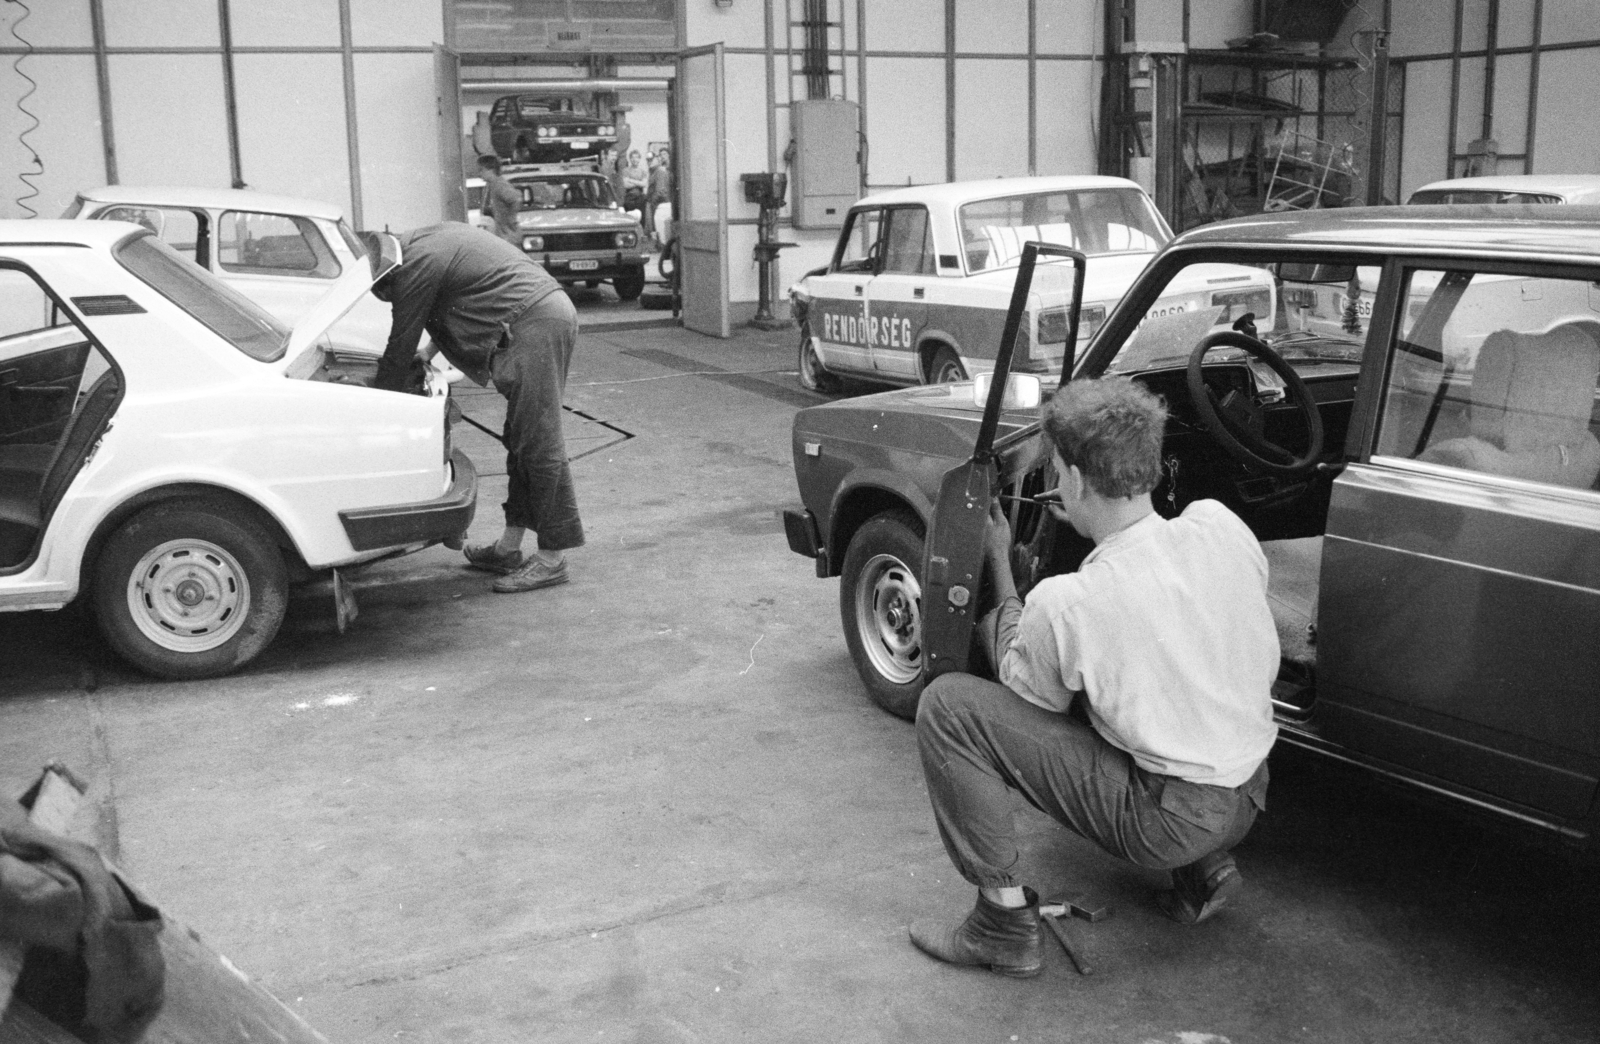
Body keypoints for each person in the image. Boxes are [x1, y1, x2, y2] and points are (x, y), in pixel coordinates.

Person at [909, 376, 1278, 978]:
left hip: (1168, 823)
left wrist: (1001, 566)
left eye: (1056, 468)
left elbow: (1024, 689)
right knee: (1149, 679)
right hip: (1247, 799)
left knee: (950, 708)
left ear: (1076, 480)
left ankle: (1001, 926)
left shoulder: (1071, 602)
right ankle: (1204, 871)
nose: (1054, 481)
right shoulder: (1218, 526)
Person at [372, 223, 584, 593]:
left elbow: (401, 338)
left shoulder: (416, 263)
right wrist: (429, 354)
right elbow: (453, 298)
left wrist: (380, 404)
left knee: (538, 441)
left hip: (534, 324)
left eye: (384, 293)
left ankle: (552, 558)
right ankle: (508, 548)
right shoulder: (426, 239)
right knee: (519, 436)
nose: (388, 297)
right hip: (538, 315)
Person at [477, 154, 522, 247]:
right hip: (502, 234)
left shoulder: (500, 184)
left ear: (491, 170)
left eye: (481, 170)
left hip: (508, 236)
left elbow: (516, 199)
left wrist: (511, 219)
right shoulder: (492, 185)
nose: (479, 174)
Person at [645, 148, 671, 244]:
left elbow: (660, 190)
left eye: (651, 159)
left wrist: (652, 202)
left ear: (658, 159)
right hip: (656, 205)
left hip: (660, 205)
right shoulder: (653, 171)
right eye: (648, 160)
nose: (649, 162)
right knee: (654, 229)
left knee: (659, 232)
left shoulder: (660, 171)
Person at [621, 149, 648, 219]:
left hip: (640, 198)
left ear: (639, 159)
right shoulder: (625, 170)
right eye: (632, 157)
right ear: (630, 159)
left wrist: (630, 180)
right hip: (629, 198)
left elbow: (644, 184)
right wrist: (639, 182)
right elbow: (626, 185)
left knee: (641, 219)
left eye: (636, 157)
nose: (634, 159)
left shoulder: (643, 172)